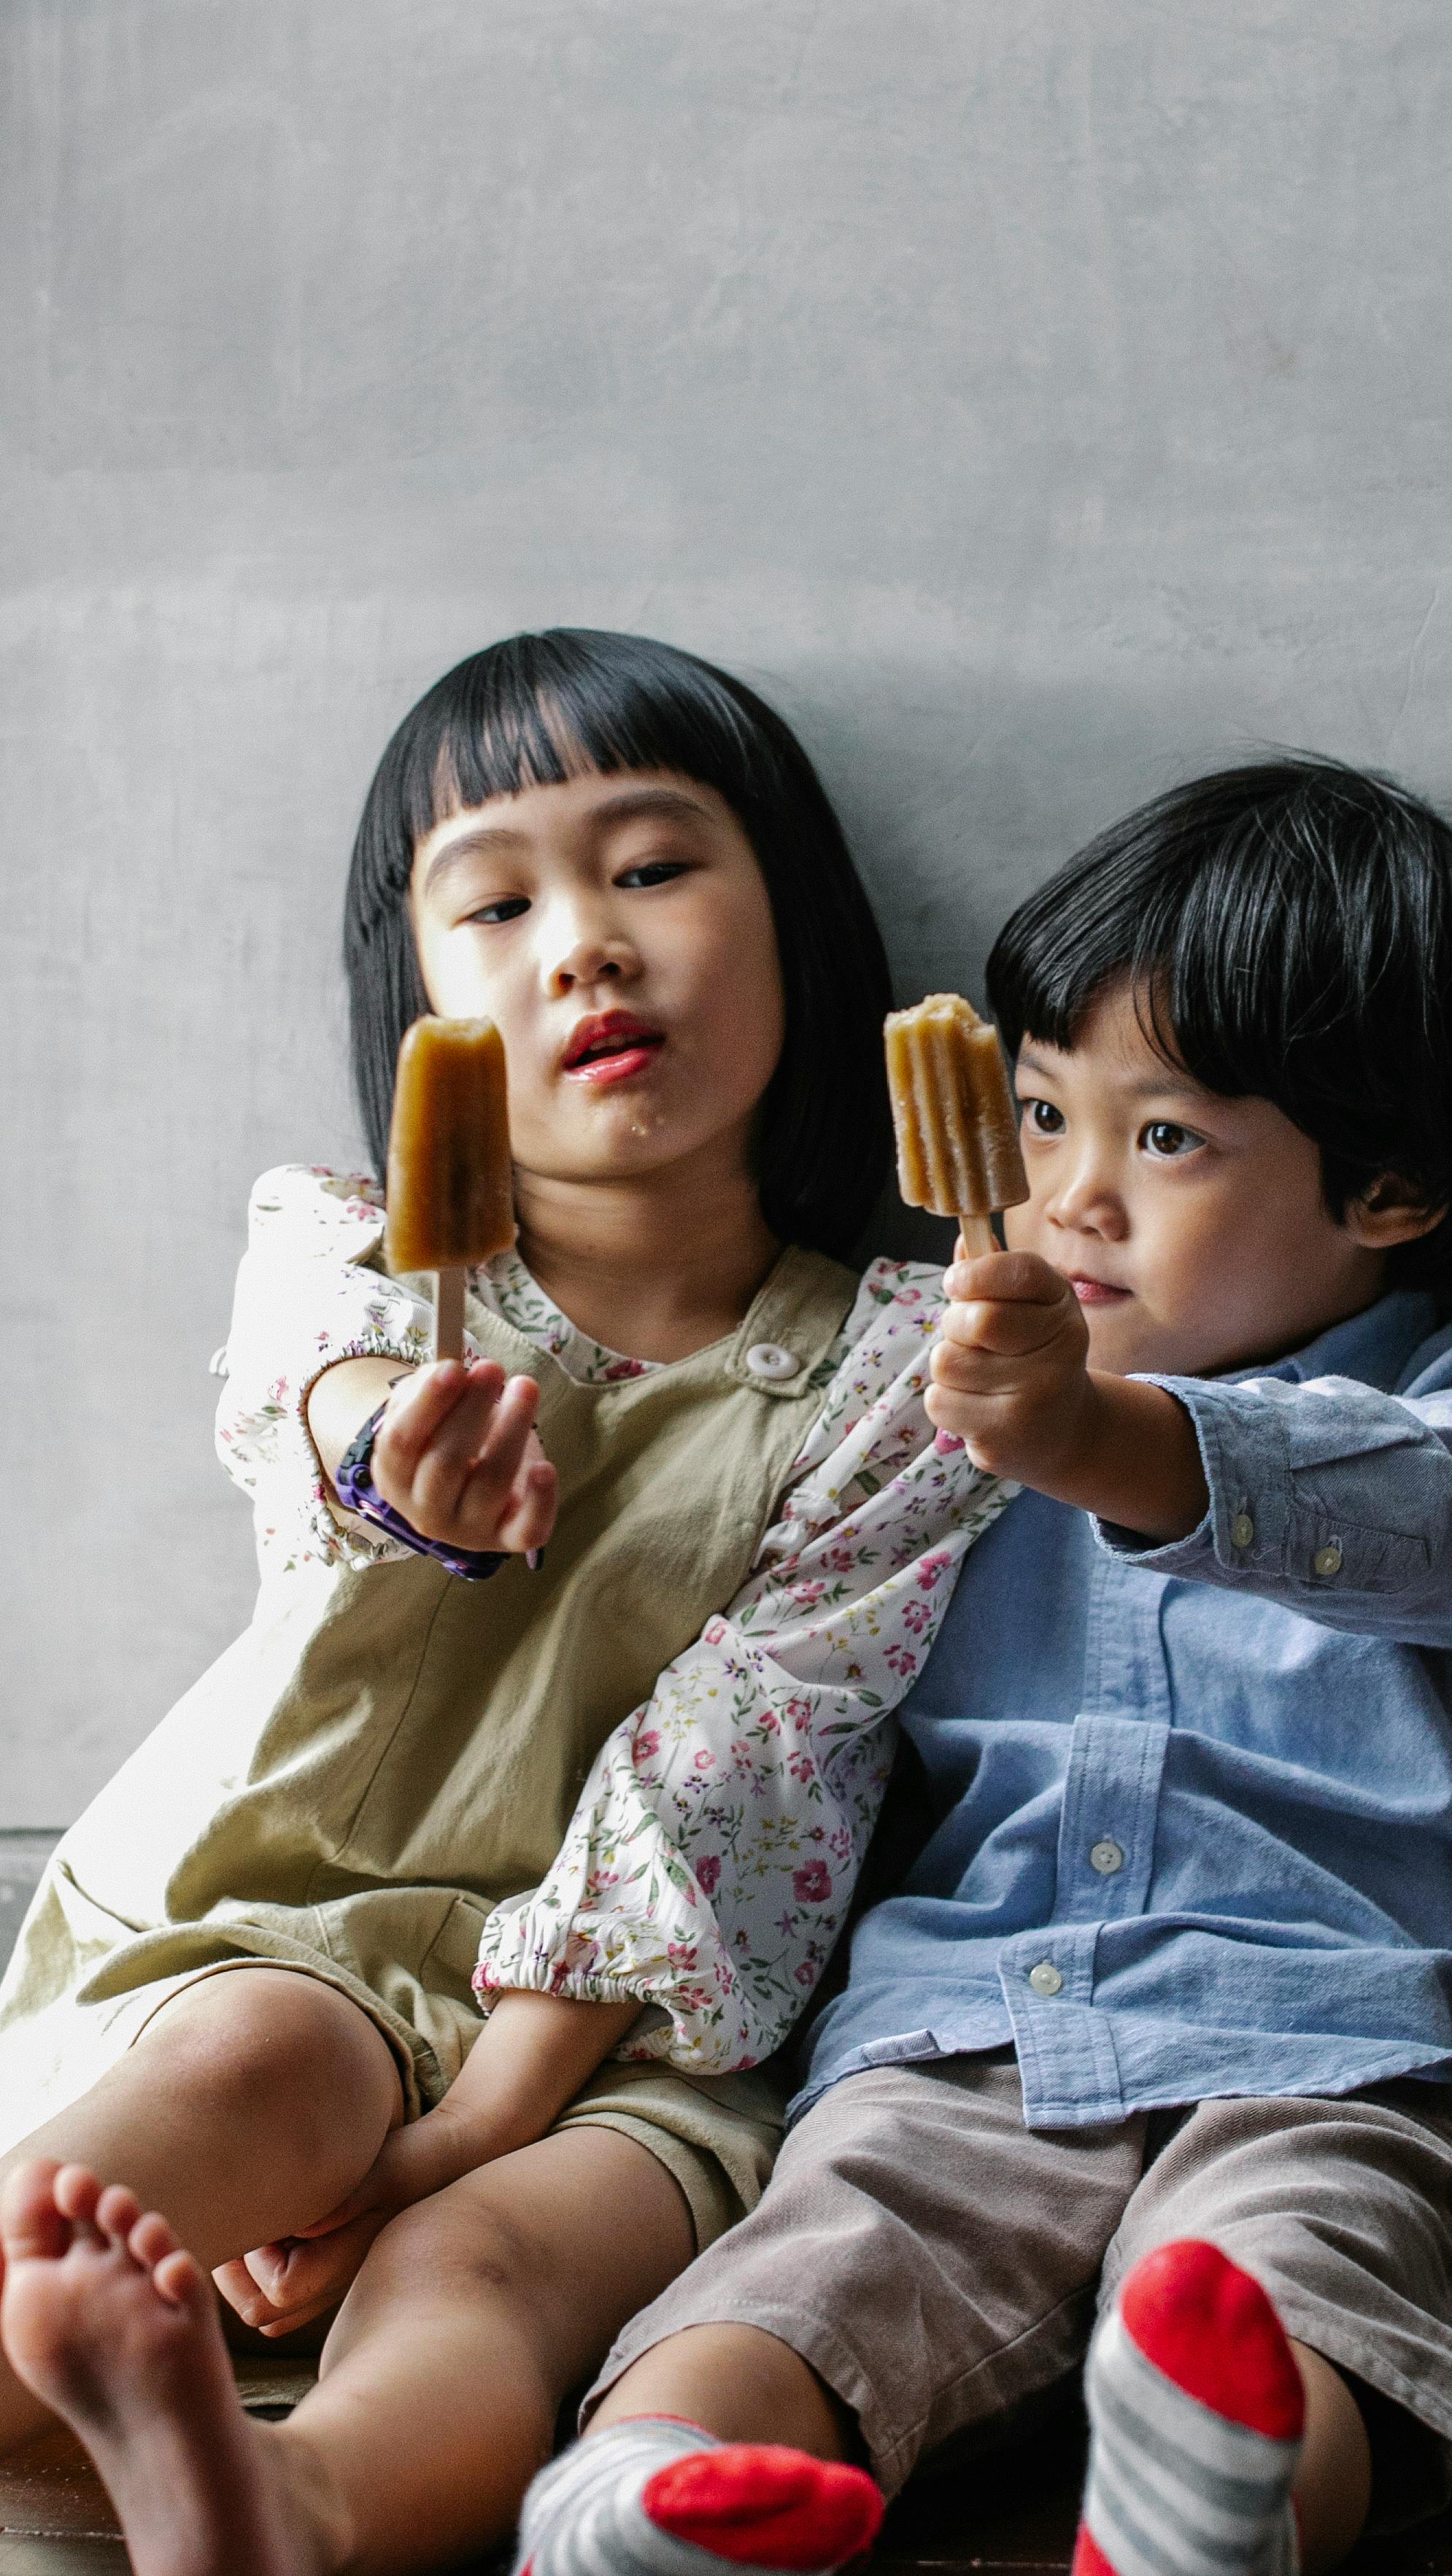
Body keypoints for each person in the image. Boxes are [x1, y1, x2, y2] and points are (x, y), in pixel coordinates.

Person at [505, 759, 1452, 2576]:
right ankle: (647, 2492)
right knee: (822, 2248)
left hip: (1327, 2045)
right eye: (1036, 1116)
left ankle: (1218, 2505)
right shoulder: (935, 1402)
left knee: (1300, 2274)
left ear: (1393, 1186)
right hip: (965, 2030)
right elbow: (786, 1671)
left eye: (1164, 1139)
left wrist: (1100, 1439)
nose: (1071, 1199)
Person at [0, 628, 1009, 2576]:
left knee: (489, 2264)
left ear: (796, 920)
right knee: (262, 2066)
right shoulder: (349, 1245)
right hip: (284, 1924)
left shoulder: (911, 1372)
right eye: (500, 900)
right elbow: (310, 1390)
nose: (587, 944)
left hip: (630, 2028)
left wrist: (468, 2132)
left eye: (651, 868)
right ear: (421, 1002)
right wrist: (403, 1449)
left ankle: (284, 2511)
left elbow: (741, 1761)